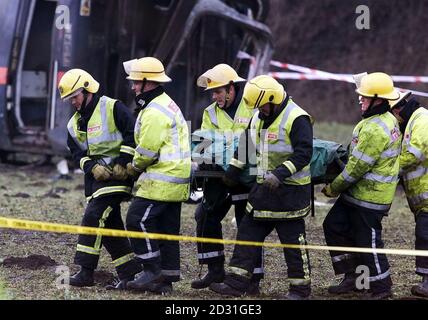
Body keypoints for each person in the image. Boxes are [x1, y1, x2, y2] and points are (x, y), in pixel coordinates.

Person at [210, 75, 313, 300]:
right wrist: (232, 174)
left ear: (273, 100)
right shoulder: (257, 116)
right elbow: (245, 146)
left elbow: (304, 153)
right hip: (263, 193)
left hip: (290, 194)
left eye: (262, 106)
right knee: (247, 234)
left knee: (293, 245)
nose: (260, 110)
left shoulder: (297, 118)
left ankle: (300, 290)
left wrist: (280, 173)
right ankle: (236, 283)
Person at [58, 68, 141, 288]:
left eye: (74, 97)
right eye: (69, 100)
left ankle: (85, 272)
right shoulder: (73, 125)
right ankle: (131, 272)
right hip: (95, 181)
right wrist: (92, 167)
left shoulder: (112, 107)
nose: (73, 103)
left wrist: (123, 162)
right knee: (110, 225)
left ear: (87, 91)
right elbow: (77, 154)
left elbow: (134, 134)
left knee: (93, 217)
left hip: (118, 176)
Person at [322, 72, 402, 300]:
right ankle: (355, 278)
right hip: (358, 195)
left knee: (368, 242)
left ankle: (381, 287)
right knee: (334, 225)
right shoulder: (379, 120)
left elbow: (356, 169)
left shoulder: (375, 128)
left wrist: (333, 187)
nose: (360, 100)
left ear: (378, 99)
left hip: (370, 198)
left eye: (364, 97)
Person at [191, 64, 263, 293]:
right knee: (204, 216)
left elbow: (258, 142)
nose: (214, 97)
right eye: (212, 93)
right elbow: (205, 143)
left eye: (218, 92)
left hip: (247, 176)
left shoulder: (252, 106)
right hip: (219, 177)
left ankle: (252, 279)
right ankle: (215, 270)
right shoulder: (209, 113)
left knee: (247, 224)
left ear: (232, 89)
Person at [123, 57, 191, 294]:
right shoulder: (164, 103)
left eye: (135, 82)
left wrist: (132, 168)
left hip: (163, 179)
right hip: (176, 179)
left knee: (136, 220)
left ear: (146, 82)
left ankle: (151, 270)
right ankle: (166, 280)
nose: (133, 87)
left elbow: (146, 151)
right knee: (166, 229)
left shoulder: (154, 111)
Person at [389, 91, 428, 298]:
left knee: (426, 237)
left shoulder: (422, 120)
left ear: (397, 111)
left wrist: (387, 170)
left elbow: (414, 154)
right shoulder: (413, 120)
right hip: (422, 199)